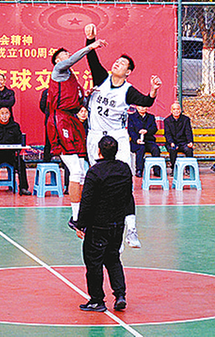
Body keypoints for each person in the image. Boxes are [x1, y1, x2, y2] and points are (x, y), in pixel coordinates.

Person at [84, 23, 161, 249]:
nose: (117, 63)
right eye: (117, 61)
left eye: (123, 63)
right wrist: (91, 39)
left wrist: (153, 90)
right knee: (98, 183)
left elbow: (146, 101)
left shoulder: (128, 90)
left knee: (124, 183)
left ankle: (131, 230)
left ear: (128, 72)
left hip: (117, 139)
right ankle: (98, 226)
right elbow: (92, 59)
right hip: (95, 137)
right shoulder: (101, 79)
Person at [75, 136, 133, 313]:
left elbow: (87, 200)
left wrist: (80, 224)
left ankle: (97, 299)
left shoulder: (95, 172)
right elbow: (128, 196)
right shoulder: (124, 169)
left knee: (94, 263)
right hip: (117, 223)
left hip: (98, 224)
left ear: (99, 151)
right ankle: (120, 294)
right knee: (113, 259)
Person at [47, 41, 101, 229]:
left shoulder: (73, 80)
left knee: (81, 171)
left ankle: (82, 213)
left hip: (72, 119)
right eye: (64, 54)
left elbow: (80, 103)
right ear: (57, 60)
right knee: (76, 171)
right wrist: (90, 47)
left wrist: (88, 95)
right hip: (60, 119)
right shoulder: (59, 71)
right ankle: (77, 217)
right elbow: (71, 60)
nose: (68, 55)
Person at [0, 106, 30, 196]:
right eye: (2, 114)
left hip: (11, 155)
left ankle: (23, 188)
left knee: (21, 163)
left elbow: (19, 140)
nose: (4, 116)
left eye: (6, 113)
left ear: (9, 115)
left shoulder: (15, 126)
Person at [127, 105, 160, 178]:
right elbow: (131, 130)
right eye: (141, 107)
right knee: (141, 148)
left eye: (144, 107)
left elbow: (154, 129)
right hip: (136, 142)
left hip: (148, 140)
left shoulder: (151, 117)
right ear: (137, 107)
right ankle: (139, 170)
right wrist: (136, 139)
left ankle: (157, 170)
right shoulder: (132, 117)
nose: (142, 108)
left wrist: (147, 131)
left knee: (155, 149)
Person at [163, 102, 194, 172]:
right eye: (174, 109)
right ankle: (174, 169)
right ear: (171, 111)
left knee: (188, 149)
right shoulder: (167, 120)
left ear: (180, 110)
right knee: (172, 149)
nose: (176, 111)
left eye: (178, 109)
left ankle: (188, 168)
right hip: (172, 143)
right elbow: (167, 134)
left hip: (183, 142)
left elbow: (188, 131)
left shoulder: (186, 119)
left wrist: (190, 142)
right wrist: (171, 142)